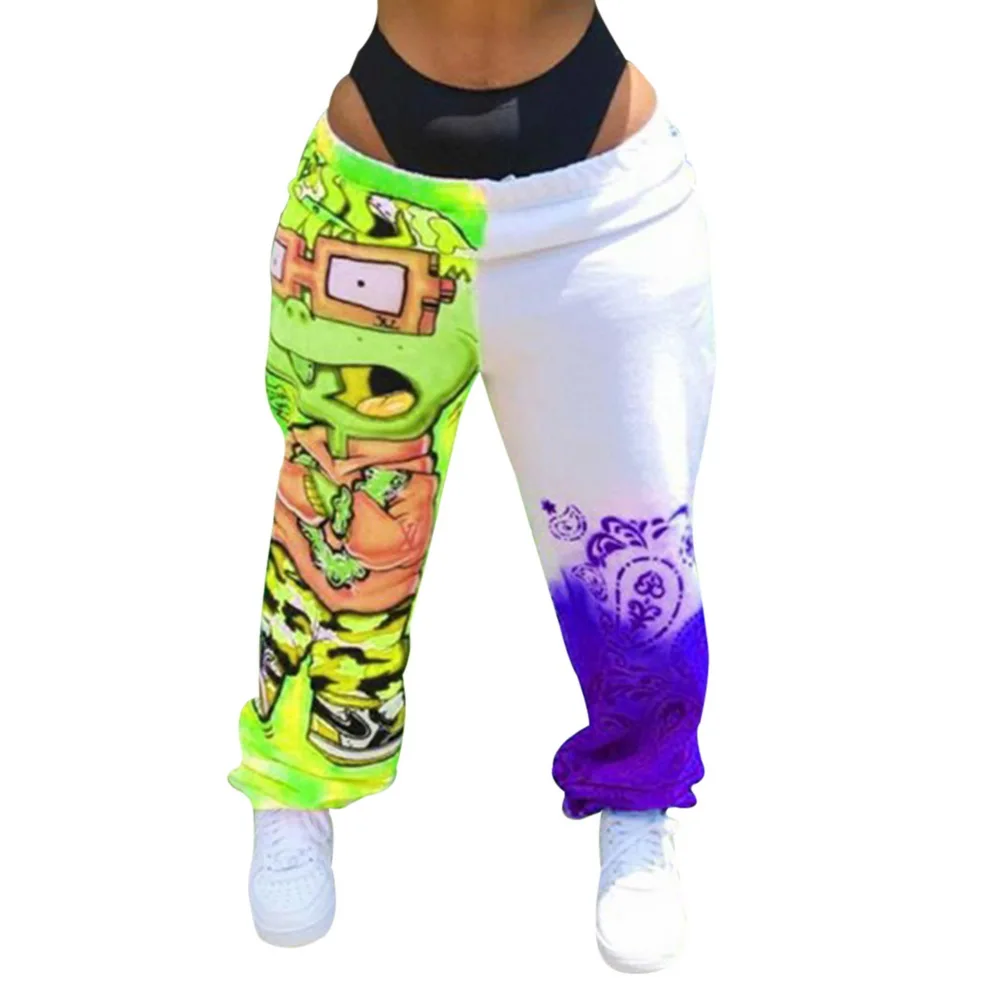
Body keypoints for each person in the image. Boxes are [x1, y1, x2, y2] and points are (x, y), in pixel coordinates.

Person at [229, 0, 715, 973]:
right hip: (371, 208)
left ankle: (639, 795)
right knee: (336, 527)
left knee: (630, 545)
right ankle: (296, 779)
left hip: (603, 214)